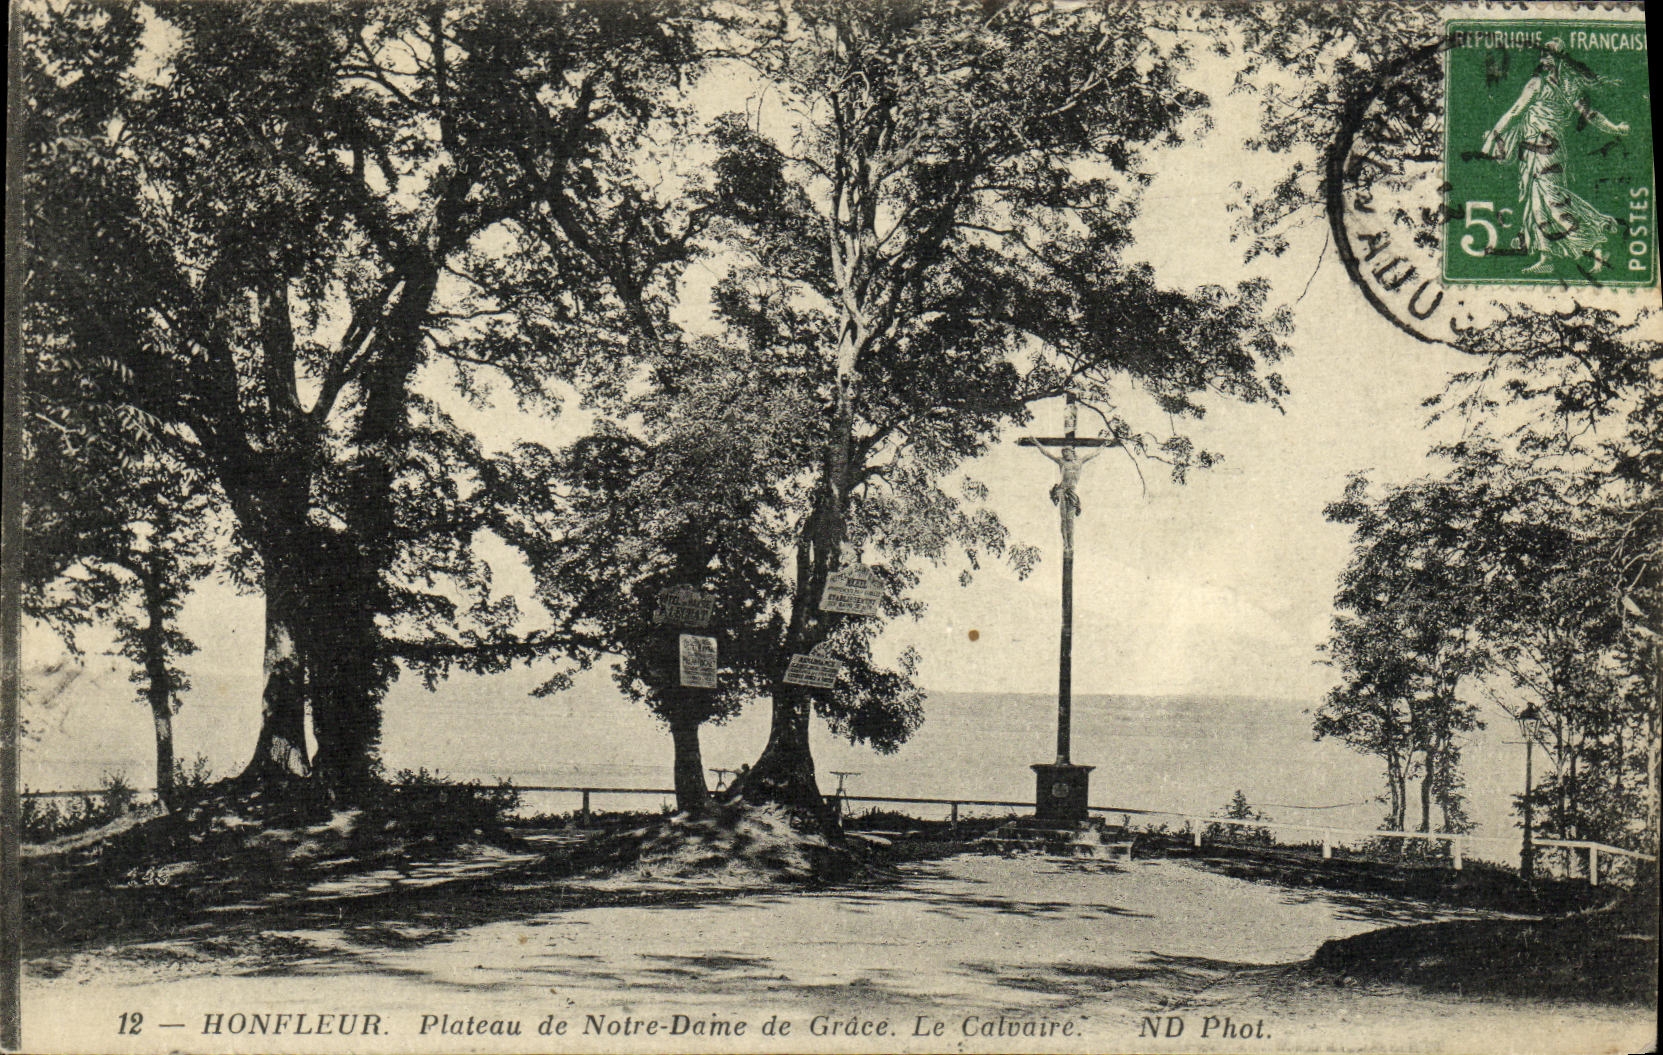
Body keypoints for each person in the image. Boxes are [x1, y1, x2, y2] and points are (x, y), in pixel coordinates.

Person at [1480, 39, 1630, 274]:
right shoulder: (1556, 85)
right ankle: (1547, 257)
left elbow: (1515, 112)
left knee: (1552, 202)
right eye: (1542, 55)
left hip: (1545, 151)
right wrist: (1615, 128)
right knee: (1538, 204)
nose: (1543, 60)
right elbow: (1517, 112)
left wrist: (1615, 128)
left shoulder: (1546, 85)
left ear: (1560, 59)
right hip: (1535, 150)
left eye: (1548, 56)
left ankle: (1595, 242)